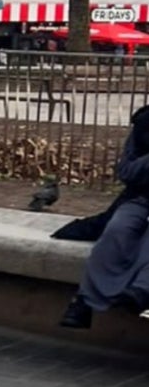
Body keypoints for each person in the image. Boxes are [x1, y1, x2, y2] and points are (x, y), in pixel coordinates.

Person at [61, 106, 149, 328]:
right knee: (116, 229)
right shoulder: (145, 122)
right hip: (141, 198)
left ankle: (140, 291)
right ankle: (85, 301)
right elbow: (126, 171)